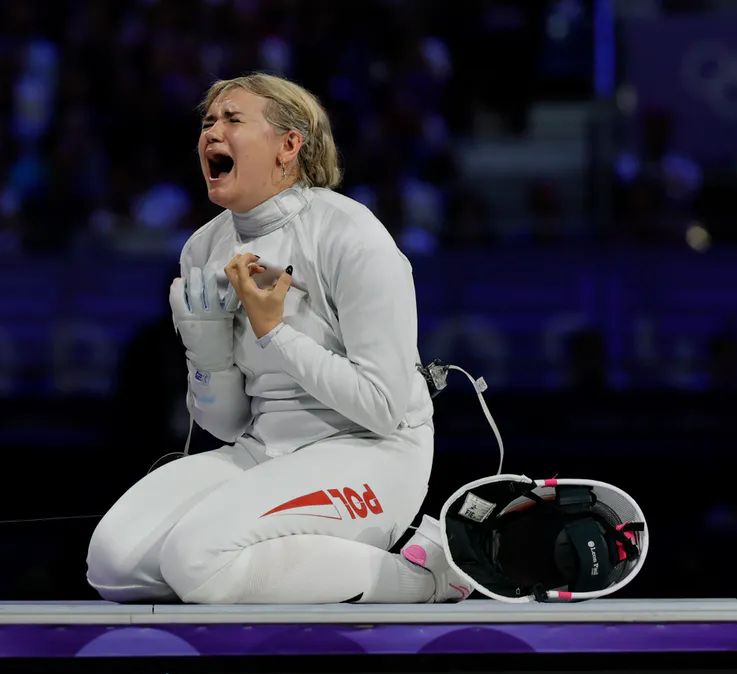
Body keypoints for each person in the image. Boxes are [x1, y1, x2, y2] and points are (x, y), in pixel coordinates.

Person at [86, 73, 471, 604]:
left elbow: (382, 407)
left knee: (194, 558)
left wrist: (274, 332)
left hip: (374, 454)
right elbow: (226, 424)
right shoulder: (203, 248)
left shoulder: (351, 236)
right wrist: (207, 349)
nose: (211, 133)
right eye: (207, 122)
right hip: (265, 451)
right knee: (115, 564)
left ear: (289, 146)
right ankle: (260, 573)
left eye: (232, 120)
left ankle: (427, 577)